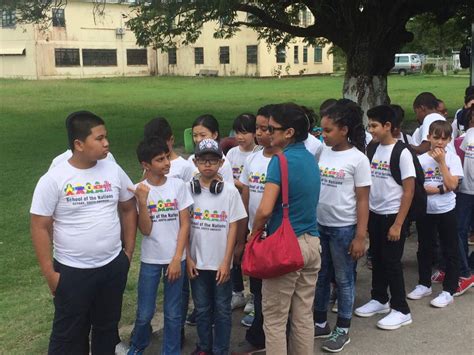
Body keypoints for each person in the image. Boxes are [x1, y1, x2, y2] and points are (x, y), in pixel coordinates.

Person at [30, 111, 137, 354]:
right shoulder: (54, 179)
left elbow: (129, 207)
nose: (106, 143)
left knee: (106, 331)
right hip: (72, 272)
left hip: (111, 268)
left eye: (106, 136)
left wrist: (127, 253)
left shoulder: (113, 170)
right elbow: (39, 225)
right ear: (79, 144)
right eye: (99, 138)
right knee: (68, 336)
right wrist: (50, 273)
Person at [250, 103, 321, 355]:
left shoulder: (280, 162)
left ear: (288, 132)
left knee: (275, 319)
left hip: (286, 247)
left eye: (272, 129)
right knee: (302, 315)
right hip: (312, 243)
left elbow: (266, 209)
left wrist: (253, 234)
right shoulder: (310, 159)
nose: (267, 133)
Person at [313, 100, 371, 352]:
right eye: (322, 130)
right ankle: (319, 321)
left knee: (344, 279)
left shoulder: (358, 159)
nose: (322, 135)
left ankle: (343, 328)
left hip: (343, 229)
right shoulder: (322, 152)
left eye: (327, 131)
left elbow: (362, 199)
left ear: (344, 130)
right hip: (320, 225)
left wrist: (360, 236)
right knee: (320, 276)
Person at [127, 139, 193, 355]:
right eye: (160, 159)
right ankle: (137, 346)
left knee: (173, 313)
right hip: (151, 260)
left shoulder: (178, 186)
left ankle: (171, 351)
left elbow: (185, 224)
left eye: (166, 157)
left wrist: (177, 259)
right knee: (145, 312)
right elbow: (145, 230)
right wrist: (143, 202)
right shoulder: (139, 190)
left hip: (176, 259)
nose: (167, 163)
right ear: (146, 164)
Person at [355, 105, 415, 330]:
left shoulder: (402, 152)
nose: (371, 130)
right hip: (375, 214)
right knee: (377, 259)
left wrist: (399, 224)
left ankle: (401, 309)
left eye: (374, 125)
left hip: (393, 217)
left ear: (388, 126)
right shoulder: (372, 148)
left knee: (391, 263)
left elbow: (408, 191)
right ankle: (379, 298)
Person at [187, 139, 247, 355]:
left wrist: (226, 262)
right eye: (203, 161)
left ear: (221, 163)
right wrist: (188, 258)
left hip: (221, 264)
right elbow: (183, 226)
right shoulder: (188, 191)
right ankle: (203, 347)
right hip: (197, 263)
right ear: (195, 162)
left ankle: (221, 349)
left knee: (222, 310)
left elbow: (234, 227)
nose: (208, 165)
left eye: (213, 161)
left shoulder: (229, 192)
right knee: (202, 309)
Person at [232, 105, 280, 353]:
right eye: (258, 128)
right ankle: (259, 335)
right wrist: (244, 235)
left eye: (267, 128)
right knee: (259, 289)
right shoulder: (252, 159)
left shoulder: (286, 160)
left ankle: (274, 337)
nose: (261, 133)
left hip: (278, 237)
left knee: (277, 294)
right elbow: (247, 200)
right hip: (255, 235)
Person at [407, 121, 463, 307]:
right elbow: (417, 186)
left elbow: (453, 185)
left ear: (449, 139)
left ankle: (449, 290)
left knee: (450, 248)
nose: (439, 142)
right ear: (429, 137)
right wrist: (440, 188)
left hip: (446, 208)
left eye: (444, 138)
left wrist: (441, 164)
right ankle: (424, 284)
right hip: (426, 209)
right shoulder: (421, 160)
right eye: (436, 137)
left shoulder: (452, 159)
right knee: (425, 247)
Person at [225, 113, 258, 312]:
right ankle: (237, 292)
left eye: (245, 132)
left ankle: (254, 295)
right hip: (233, 209)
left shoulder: (258, 154)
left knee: (251, 252)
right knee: (235, 251)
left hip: (252, 208)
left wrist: (240, 184)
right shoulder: (231, 154)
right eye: (238, 132)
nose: (240, 137)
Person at [454, 106, 474, 294]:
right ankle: (464, 270)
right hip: (466, 191)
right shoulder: (469, 135)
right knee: (459, 229)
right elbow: (461, 158)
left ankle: (469, 267)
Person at [143, 117, 195, 182]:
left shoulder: (184, 166)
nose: (157, 148)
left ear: (171, 140)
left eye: (161, 143)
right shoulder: (152, 163)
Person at [188, 114, 234, 183]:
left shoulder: (224, 164)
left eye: (203, 135)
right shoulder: (190, 160)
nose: (198, 139)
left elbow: (230, 189)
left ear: (215, 135)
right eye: (195, 135)